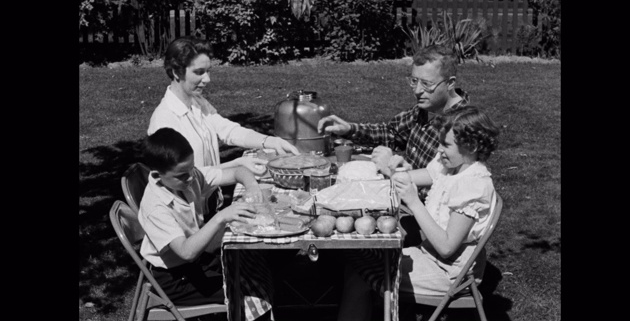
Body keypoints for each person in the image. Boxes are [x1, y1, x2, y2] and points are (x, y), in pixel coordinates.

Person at [337, 106, 500, 321]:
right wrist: (396, 171)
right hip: (428, 255)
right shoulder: (451, 166)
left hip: (450, 272)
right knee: (359, 258)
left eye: (447, 144)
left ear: (472, 146)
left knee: (359, 274)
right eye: (440, 142)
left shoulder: (472, 185)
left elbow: (446, 248)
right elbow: (423, 175)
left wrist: (414, 202)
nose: (439, 150)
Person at [148, 36, 300, 212]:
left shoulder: (196, 101)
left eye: (208, 71)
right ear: (176, 72)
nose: (207, 79)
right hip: (190, 217)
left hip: (211, 204)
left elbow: (228, 130)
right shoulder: (164, 122)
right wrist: (237, 164)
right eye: (199, 72)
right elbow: (190, 177)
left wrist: (270, 141)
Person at [137, 127, 270, 317]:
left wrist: (252, 186)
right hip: (175, 279)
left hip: (198, 263)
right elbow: (186, 252)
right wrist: (220, 217)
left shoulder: (187, 177)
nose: (191, 177)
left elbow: (238, 172)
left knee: (254, 267)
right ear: (158, 175)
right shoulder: (156, 207)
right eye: (182, 174)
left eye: (191, 168)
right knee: (250, 291)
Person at [317, 44, 470, 179]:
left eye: (426, 84)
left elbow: (444, 188)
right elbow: (390, 133)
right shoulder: (425, 109)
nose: (417, 91)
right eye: (414, 81)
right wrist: (349, 129)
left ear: (450, 83)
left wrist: (394, 169)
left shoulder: (463, 127)